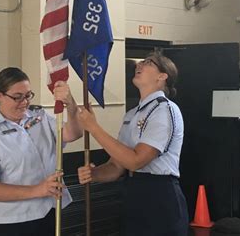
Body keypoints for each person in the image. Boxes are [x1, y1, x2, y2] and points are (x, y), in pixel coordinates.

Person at [77, 51, 188, 236]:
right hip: (134, 193)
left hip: (159, 193)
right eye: (140, 62)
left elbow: (136, 160)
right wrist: (94, 174)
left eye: (148, 63)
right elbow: (116, 166)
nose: (139, 65)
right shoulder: (131, 114)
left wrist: (94, 128)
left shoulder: (164, 110)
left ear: (162, 76)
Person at [0, 67, 83, 236]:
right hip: (9, 223)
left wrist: (70, 104)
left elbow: (73, 133)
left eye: (28, 95)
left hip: (46, 213)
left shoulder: (39, 116)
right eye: (17, 97)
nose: (24, 102)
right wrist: (38, 190)